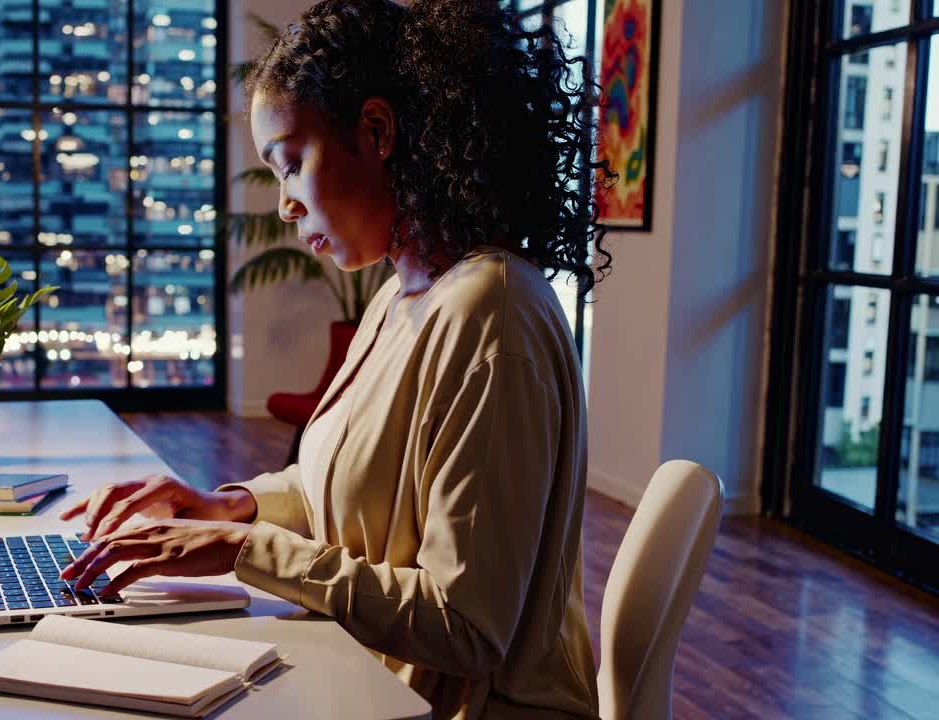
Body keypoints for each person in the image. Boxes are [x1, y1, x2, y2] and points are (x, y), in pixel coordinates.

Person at [59, 1, 613, 717]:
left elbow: (468, 627)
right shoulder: (400, 294)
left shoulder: (491, 313)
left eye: (290, 163)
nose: (286, 205)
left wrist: (244, 549)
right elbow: (344, 489)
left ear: (377, 132)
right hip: (374, 677)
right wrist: (231, 506)